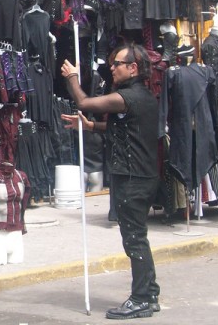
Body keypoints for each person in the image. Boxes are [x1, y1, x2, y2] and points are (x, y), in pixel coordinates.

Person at [60, 44, 160, 319]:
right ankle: (149, 293)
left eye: (117, 64)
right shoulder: (142, 97)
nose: (112, 68)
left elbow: (84, 103)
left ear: (133, 68)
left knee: (134, 240)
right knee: (138, 237)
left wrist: (72, 78)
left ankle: (141, 298)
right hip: (139, 176)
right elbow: (121, 127)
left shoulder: (126, 97)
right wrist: (91, 126)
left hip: (133, 177)